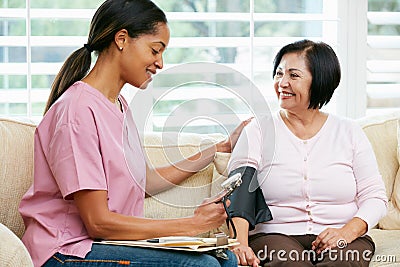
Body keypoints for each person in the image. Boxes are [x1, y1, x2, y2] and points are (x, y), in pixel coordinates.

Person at [18, 1, 248, 266]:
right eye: (155, 50)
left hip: (105, 246)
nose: (160, 63)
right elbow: (98, 223)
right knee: (202, 265)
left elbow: (140, 182)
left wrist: (213, 151)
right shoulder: (76, 111)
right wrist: (191, 225)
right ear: (122, 39)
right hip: (66, 251)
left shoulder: (119, 106)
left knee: (225, 259)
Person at [227, 39, 388, 267]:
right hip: (275, 237)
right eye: (279, 73)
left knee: (342, 263)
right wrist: (240, 243)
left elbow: (375, 197)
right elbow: (239, 191)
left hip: (343, 237)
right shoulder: (259, 131)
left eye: (293, 75)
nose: (282, 83)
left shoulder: (349, 132)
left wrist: (346, 232)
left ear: (320, 80)